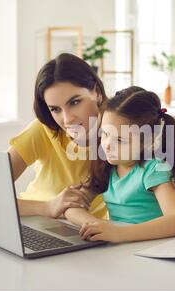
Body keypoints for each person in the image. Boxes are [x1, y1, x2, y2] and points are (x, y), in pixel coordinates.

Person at [64, 86, 175, 243]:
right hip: (120, 249)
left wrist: (119, 233)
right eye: (105, 134)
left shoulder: (153, 169)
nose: (106, 145)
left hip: (149, 247)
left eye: (120, 140)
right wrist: (95, 223)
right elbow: (72, 206)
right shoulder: (108, 167)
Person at [8, 53, 108, 219]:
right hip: (30, 218)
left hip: (82, 229)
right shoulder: (42, 130)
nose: (67, 119)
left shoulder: (118, 136)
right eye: (55, 109)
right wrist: (46, 207)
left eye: (75, 102)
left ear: (96, 92)